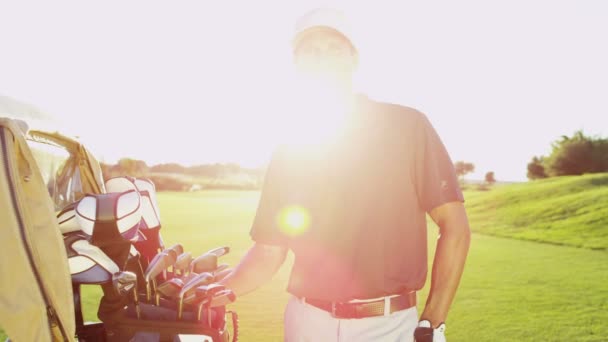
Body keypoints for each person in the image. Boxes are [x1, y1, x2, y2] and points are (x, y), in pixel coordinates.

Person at [219, 8, 471, 342]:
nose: (322, 60)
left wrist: (433, 320)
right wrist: (217, 292)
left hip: (389, 325)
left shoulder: (409, 126)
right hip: (307, 323)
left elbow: (454, 226)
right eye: (311, 51)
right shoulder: (290, 147)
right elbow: (269, 252)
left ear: (353, 59)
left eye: (334, 49)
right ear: (297, 65)